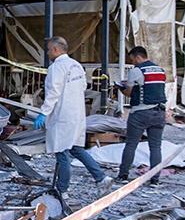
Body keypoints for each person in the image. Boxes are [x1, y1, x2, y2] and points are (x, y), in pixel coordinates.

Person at [34, 37, 113, 197]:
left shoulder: (57, 68)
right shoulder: (76, 65)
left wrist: (44, 112)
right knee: (76, 149)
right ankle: (101, 177)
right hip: (77, 114)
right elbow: (83, 86)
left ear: (55, 50)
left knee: (62, 152)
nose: (48, 53)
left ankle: (62, 190)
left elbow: (53, 92)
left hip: (62, 115)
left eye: (49, 50)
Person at [116, 46, 167, 185]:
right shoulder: (160, 70)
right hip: (160, 112)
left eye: (132, 60)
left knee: (131, 144)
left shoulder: (137, 70)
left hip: (141, 112)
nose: (132, 63)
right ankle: (155, 179)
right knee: (155, 147)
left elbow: (129, 92)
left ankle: (123, 175)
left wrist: (120, 88)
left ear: (138, 57)